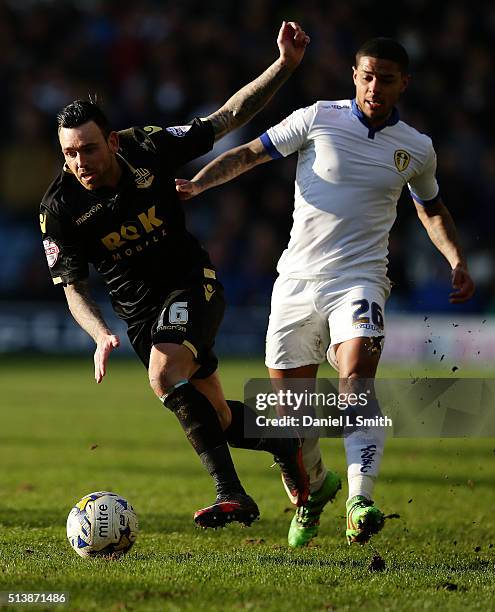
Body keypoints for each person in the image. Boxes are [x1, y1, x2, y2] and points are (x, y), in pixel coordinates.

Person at [175, 37, 475, 545]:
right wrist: (200, 184)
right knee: (293, 411)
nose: (375, 87)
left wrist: (456, 259)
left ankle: (361, 499)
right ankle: (315, 488)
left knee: (356, 380)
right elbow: (252, 152)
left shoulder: (417, 148)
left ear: (405, 82)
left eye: (386, 77)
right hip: (295, 281)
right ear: (355, 76)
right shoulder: (317, 117)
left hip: (360, 280)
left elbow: (431, 209)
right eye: (367, 76)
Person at [39, 21, 311, 530]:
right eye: (70, 153)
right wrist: (99, 335)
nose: (80, 162)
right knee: (220, 419)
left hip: (192, 283)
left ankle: (232, 494)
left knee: (163, 374)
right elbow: (73, 285)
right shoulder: (59, 208)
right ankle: (281, 440)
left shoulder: (148, 146)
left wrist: (285, 66)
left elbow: (227, 117)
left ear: (113, 141)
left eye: (89, 149)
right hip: (139, 315)